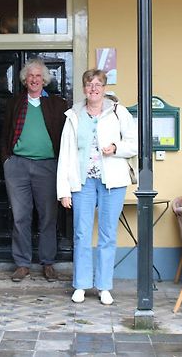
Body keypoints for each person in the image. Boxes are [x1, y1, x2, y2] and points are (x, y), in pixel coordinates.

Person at [57, 69, 137, 305]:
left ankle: (104, 286)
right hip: (82, 182)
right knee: (81, 233)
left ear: (104, 88)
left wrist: (115, 147)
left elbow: (134, 144)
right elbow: (65, 154)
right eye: (89, 84)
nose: (93, 88)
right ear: (83, 88)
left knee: (107, 234)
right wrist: (63, 190)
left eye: (98, 84)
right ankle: (81, 285)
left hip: (112, 181)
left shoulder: (118, 112)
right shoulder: (74, 115)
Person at [1, 58, 68, 283]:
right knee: (21, 216)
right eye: (30, 76)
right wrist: (7, 160)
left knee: (48, 216)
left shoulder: (57, 104)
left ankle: (48, 263)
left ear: (45, 80)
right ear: (25, 79)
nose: (34, 79)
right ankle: (22, 264)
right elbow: (4, 134)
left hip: (48, 166)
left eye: (39, 76)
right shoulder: (16, 102)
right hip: (17, 165)